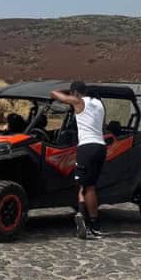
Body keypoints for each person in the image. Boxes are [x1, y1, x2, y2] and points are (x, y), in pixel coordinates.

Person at [51, 81, 106, 240]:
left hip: (86, 147)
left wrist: (65, 91)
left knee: (86, 187)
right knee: (88, 186)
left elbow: (55, 94)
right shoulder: (99, 104)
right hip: (100, 146)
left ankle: (92, 224)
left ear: (75, 92)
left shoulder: (78, 101)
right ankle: (86, 219)